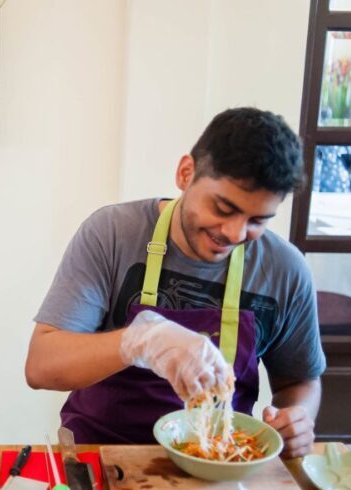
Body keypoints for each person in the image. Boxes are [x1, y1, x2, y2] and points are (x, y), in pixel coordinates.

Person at [26, 107, 325, 458]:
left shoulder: (285, 269)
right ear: (186, 173)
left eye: (258, 220)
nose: (234, 233)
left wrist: (297, 419)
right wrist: (138, 341)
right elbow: (41, 366)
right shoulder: (112, 234)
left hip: (221, 458)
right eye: (223, 208)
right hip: (103, 451)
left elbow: (300, 381)